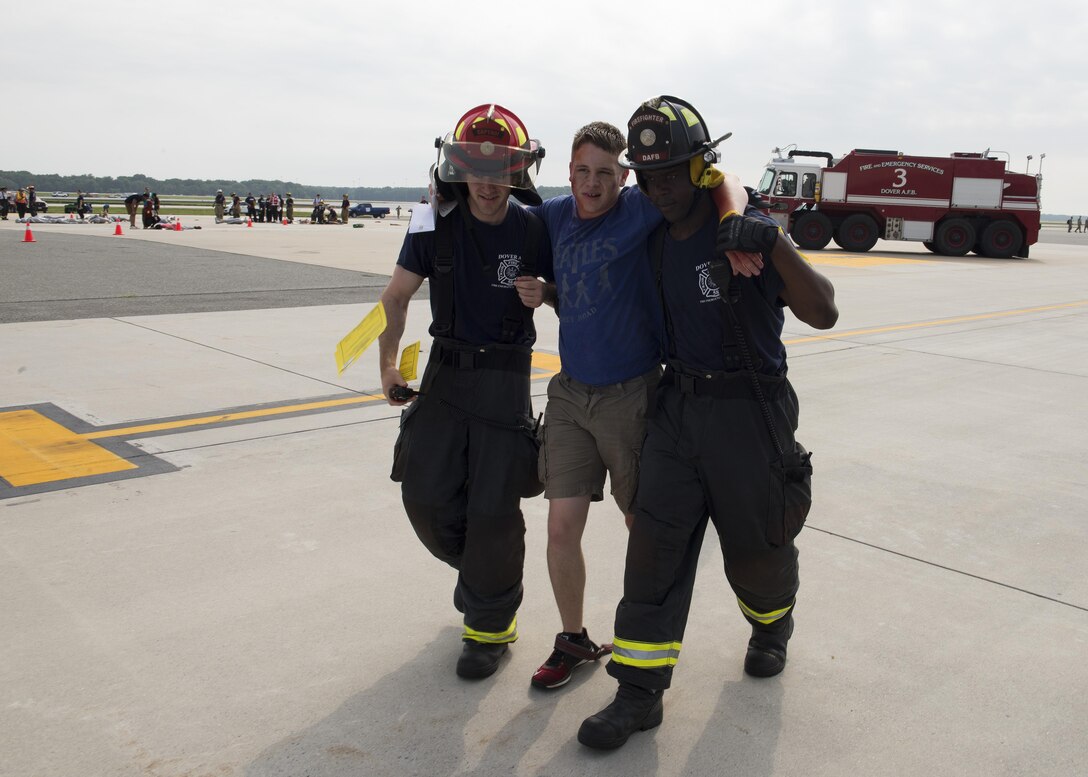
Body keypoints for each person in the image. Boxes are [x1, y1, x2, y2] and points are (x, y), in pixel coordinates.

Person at [577, 96, 838, 750]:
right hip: (678, 410)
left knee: (758, 551)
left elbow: (824, 311)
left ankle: (772, 622)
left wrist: (770, 239)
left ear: (700, 167)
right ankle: (639, 692)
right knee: (653, 551)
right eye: (648, 173)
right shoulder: (655, 235)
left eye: (672, 171)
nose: (657, 186)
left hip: (752, 413)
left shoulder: (745, 226)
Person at [513, 121, 758, 691]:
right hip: (571, 393)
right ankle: (573, 638)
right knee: (559, 528)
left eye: (605, 173)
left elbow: (723, 180)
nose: (592, 183)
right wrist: (545, 292)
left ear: (625, 178)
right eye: (582, 171)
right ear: (568, 173)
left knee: (642, 527)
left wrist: (732, 220)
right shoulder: (552, 216)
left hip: (633, 393)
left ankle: (647, 639)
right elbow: (497, 212)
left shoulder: (641, 209)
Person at [378, 103, 551, 681]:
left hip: (505, 379)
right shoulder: (433, 221)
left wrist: (545, 293)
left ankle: (489, 628)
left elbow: (577, 295)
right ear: (454, 166)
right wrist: (388, 366)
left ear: (518, 169)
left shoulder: (536, 225)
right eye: (474, 166)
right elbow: (397, 297)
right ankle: (480, 575)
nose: (487, 180)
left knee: (494, 510)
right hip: (445, 375)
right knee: (425, 496)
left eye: (500, 167)